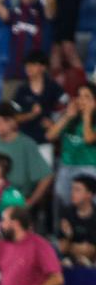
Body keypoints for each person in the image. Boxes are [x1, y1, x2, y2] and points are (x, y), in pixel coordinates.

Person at [0, 102, 54, 214]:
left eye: (6, 120)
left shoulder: (27, 144)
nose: (0, 125)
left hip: (17, 202)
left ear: (14, 122)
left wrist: (29, 203)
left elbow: (46, 177)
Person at [0, 0, 55, 98]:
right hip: (13, 73)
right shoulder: (14, 14)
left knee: (35, 112)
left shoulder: (43, 14)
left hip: (36, 76)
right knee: (7, 112)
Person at [45, 83, 96, 217]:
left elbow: (88, 138)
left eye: (87, 97)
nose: (82, 100)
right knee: (62, 202)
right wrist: (67, 116)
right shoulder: (69, 118)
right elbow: (50, 136)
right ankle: (62, 233)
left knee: (91, 206)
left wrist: (87, 116)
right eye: (79, 96)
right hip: (67, 167)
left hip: (89, 168)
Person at [60, 174, 96, 265]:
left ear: (89, 194)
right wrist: (69, 236)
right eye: (72, 189)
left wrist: (73, 248)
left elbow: (91, 251)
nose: (72, 193)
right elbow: (62, 248)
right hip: (71, 261)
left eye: (77, 190)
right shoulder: (67, 213)